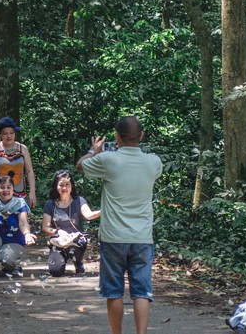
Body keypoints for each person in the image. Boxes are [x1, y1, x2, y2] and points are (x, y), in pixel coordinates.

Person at [77, 116, 163, 334]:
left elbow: (80, 166)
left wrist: (93, 150)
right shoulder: (154, 162)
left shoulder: (108, 159)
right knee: (142, 292)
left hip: (113, 236)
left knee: (114, 291)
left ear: (117, 136)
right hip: (142, 238)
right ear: (141, 136)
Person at [41, 169, 100, 277]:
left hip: (75, 241)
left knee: (73, 251)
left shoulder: (79, 200)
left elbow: (89, 215)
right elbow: (45, 227)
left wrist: (104, 210)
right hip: (58, 241)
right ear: (56, 186)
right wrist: (58, 232)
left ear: (72, 185)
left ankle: (78, 262)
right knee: (55, 271)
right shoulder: (50, 204)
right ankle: (59, 261)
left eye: (67, 184)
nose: (64, 188)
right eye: (61, 185)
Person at [0, 116, 37, 208]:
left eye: (12, 133)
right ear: (0, 134)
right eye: (5, 133)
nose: (9, 136)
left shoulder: (23, 149)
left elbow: (29, 171)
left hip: (19, 194)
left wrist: (32, 192)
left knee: (19, 220)